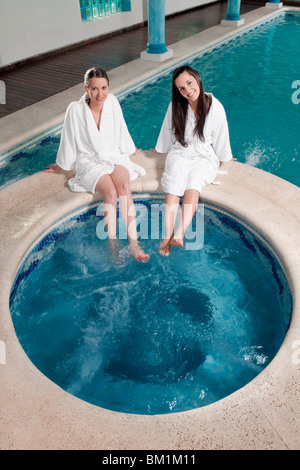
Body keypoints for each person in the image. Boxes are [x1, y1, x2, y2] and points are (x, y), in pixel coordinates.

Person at [45, 67, 149, 262]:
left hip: (113, 156)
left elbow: (122, 128)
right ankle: (114, 246)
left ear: (108, 87)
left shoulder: (113, 102)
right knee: (110, 193)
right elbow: (68, 139)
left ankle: (134, 244)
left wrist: (130, 148)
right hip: (90, 162)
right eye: (94, 89)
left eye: (103, 88)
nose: (100, 94)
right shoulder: (75, 110)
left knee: (124, 187)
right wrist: (61, 165)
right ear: (86, 89)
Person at [154, 65, 233, 256]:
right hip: (180, 151)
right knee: (173, 185)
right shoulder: (175, 106)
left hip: (204, 155)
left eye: (189, 83)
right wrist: (160, 149)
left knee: (194, 185)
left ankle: (179, 234)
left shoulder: (215, 106)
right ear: (178, 91)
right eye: (181, 88)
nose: (187, 90)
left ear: (197, 78)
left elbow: (221, 136)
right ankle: (166, 236)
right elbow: (167, 132)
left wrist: (225, 157)